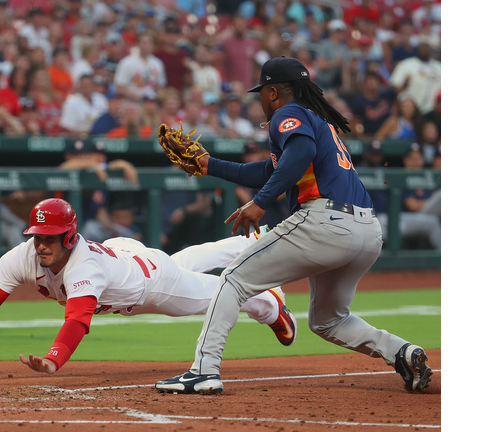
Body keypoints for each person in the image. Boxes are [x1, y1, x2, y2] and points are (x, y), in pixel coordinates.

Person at [155, 56, 432, 395]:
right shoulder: (313, 119)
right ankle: (401, 352)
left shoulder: (288, 114)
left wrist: (259, 202)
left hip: (326, 221)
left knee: (232, 278)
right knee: (328, 320)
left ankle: (204, 370)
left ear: (273, 92)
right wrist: (207, 163)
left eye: (261, 93)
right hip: (367, 229)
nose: (260, 100)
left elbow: (298, 154)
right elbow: (272, 172)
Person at [0, 198, 299, 372]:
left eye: (50, 237)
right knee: (191, 259)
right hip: (125, 255)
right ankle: (257, 239)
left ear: (69, 236)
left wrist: (54, 360)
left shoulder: (83, 267)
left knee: (223, 293)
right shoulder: (26, 254)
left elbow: (77, 322)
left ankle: (270, 305)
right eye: (37, 235)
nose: (41, 243)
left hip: (152, 285)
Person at [389, 37, 441, 115]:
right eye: (422, 47)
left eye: (426, 47)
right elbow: (395, 87)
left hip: (433, 111)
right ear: (417, 49)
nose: (424, 50)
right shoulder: (406, 64)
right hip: (409, 110)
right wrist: (405, 84)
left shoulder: (438, 67)